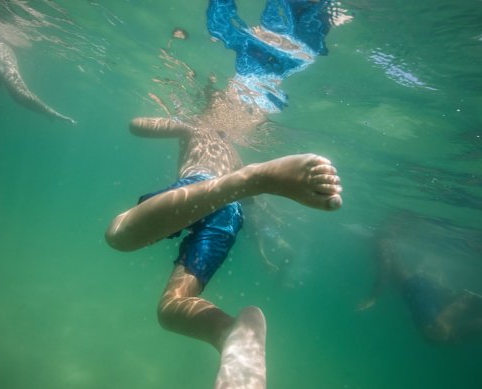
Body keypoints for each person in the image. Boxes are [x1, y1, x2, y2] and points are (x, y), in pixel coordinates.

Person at [105, 114, 342, 387]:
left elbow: (137, 124)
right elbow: (249, 205)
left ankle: (251, 178)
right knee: (170, 308)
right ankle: (231, 333)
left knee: (118, 235)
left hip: (198, 188)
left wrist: (180, 124)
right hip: (230, 210)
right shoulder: (233, 154)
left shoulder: (195, 127)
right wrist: (263, 241)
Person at [358, 214, 482, 344]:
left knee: (436, 329)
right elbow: (396, 268)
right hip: (417, 286)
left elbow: (385, 269)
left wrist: (374, 297)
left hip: (414, 288)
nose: (399, 230)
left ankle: (468, 301)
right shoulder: (386, 241)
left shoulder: (382, 242)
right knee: (445, 334)